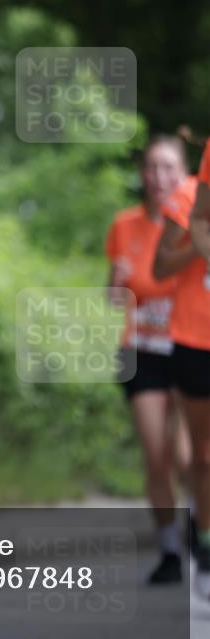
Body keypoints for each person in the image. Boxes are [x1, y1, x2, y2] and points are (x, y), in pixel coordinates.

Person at [105, 136, 193, 584]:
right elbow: (113, 296)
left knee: (188, 456)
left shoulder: (196, 222)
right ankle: (170, 550)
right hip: (141, 350)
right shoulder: (125, 224)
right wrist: (115, 283)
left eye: (169, 168)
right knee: (156, 452)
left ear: (185, 173)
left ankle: (199, 523)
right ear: (143, 174)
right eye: (153, 168)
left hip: (188, 344)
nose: (160, 178)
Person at [154, 138, 210, 603]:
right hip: (193, 338)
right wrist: (200, 239)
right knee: (199, 458)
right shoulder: (190, 196)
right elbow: (160, 265)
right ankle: (201, 549)